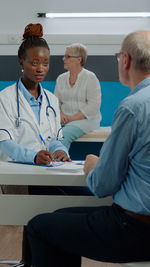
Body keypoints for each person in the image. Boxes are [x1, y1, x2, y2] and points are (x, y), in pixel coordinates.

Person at [27, 30, 150, 267]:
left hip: (135, 230)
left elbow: (103, 185)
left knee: (39, 227)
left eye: (66, 56)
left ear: (125, 60)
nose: (61, 60)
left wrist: (93, 166)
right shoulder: (63, 79)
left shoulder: (132, 108)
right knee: (57, 218)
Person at [0, 23, 70, 193]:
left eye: (45, 63)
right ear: (21, 62)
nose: (41, 69)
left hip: (45, 171)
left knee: (83, 194)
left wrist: (60, 150)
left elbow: (54, 138)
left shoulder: (51, 100)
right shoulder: (5, 98)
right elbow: (5, 143)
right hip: (17, 175)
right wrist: (33, 157)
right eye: (35, 63)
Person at [54, 43, 101, 150]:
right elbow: (55, 102)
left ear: (79, 59)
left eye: (67, 56)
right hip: (64, 120)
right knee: (46, 133)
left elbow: (93, 107)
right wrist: (60, 114)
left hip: (87, 120)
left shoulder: (90, 78)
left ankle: (59, 163)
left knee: (62, 136)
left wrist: (71, 118)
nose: (63, 59)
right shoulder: (61, 78)